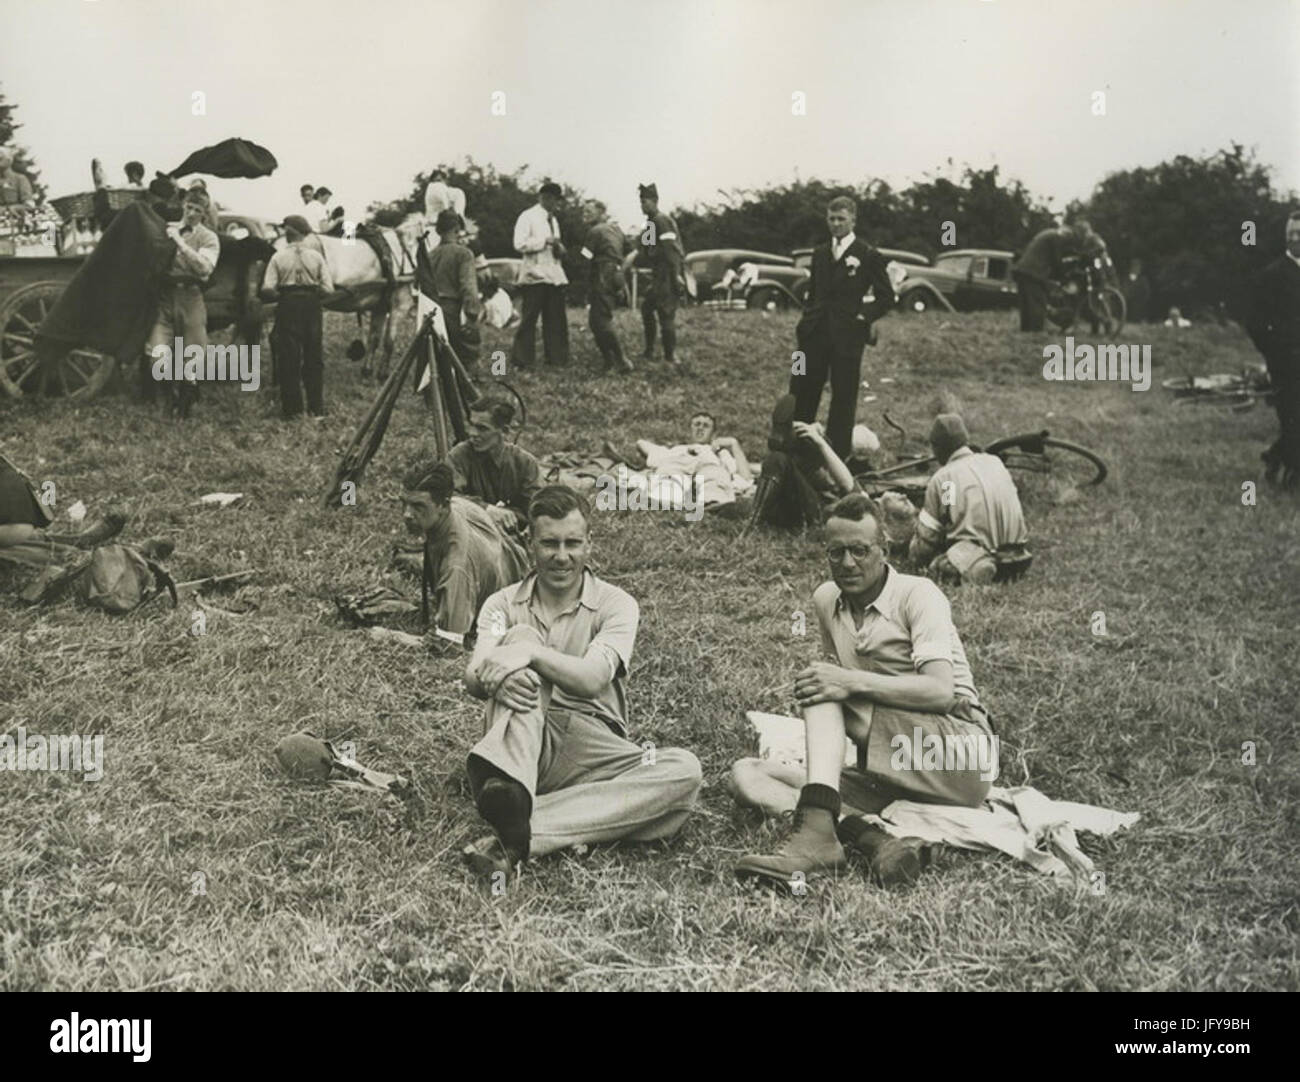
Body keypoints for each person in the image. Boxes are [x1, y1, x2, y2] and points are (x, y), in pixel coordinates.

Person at [731, 491, 997, 887]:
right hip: (893, 761)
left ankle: (818, 839)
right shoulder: (826, 599)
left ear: (884, 550)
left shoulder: (918, 594)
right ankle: (867, 837)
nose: (848, 563)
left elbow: (942, 691)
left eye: (859, 550)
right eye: (835, 553)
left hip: (960, 755)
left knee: (824, 688)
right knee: (747, 774)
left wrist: (848, 682)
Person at [459, 484, 703, 876]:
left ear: (590, 544)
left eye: (573, 543)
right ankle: (524, 794)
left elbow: (593, 679)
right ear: (529, 543)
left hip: (594, 748)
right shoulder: (502, 603)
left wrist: (532, 657)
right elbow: (474, 673)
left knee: (684, 770)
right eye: (549, 543)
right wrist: (499, 675)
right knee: (519, 636)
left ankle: (521, 826)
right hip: (525, 736)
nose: (561, 556)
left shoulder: (616, 603)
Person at [789, 195, 896, 463]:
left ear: (853, 220)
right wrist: (806, 321)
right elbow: (814, 293)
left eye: (841, 219)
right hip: (815, 333)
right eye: (831, 219)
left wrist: (862, 318)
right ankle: (799, 448)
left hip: (847, 337)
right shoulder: (820, 253)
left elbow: (887, 297)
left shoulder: (867, 255)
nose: (835, 224)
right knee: (803, 386)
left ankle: (837, 456)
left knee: (844, 395)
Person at [400, 463, 530, 636]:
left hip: (509, 615)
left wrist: (388, 636)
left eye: (418, 506)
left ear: (443, 506)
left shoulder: (457, 569)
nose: (407, 515)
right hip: (512, 569)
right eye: (404, 503)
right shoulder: (457, 505)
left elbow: (448, 647)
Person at [907, 414, 1030, 584]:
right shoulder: (994, 463)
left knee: (937, 566)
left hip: (977, 554)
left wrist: (913, 553)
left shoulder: (945, 479)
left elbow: (930, 537)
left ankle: (975, 566)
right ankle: (989, 566)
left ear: (938, 448)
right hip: (1018, 556)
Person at [142, 187, 220, 412]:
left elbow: (204, 268)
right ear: (182, 206)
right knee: (157, 353)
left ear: (204, 214)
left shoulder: (208, 238)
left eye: (198, 209)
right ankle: (169, 393)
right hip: (165, 296)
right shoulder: (167, 229)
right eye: (189, 207)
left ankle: (187, 398)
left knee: (193, 355)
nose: (192, 213)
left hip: (191, 296)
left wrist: (180, 244)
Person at [1243, 211, 1300, 489]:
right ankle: (1291, 475)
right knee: (1293, 417)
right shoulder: (1272, 276)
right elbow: (1254, 322)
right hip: (1287, 363)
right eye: (1292, 235)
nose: (1297, 240)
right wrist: (1275, 352)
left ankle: (1276, 457)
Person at [261, 214, 335, 419]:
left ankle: (293, 411)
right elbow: (328, 289)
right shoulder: (317, 257)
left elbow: (267, 288)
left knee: (289, 357)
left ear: (288, 233)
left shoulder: (278, 257)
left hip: (288, 305)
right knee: (314, 357)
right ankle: (316, 409)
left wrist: (282, 295)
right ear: (304, 234)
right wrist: (312, 292)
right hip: (312, 306)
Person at [754, 394, 859, 528]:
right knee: (780, 459)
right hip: (788, 504)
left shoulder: (847, 491)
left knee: (779, 459)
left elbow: (849, 486)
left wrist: (820, 442)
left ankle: (791, 439)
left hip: (815, 512)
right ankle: (790, 439)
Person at [447, 393, 543, 529]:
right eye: (471, 425)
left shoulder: (524, 463)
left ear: (504, 431)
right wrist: (486, 510)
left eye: (482, 428)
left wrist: (509, 516)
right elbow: (447, 497)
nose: (472, 433)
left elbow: (537, 509)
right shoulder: (459, 456)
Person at [624, 411, 755, 508]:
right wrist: (675, 453)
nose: (700, 428)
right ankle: (664, 499)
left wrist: (733, 443)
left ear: (713, 433)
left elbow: (746, 478)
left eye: (706, 425)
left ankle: (714, 502)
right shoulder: (678, 449)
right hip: (680, 461)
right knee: (669, 471)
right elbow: (642, 444)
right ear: (690, 429)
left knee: (715, 474)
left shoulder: (720, 453)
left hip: (709, 463)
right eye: (696, 424)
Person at [622, 182, 686, 369]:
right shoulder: (650, 223)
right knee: (647, 309)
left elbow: (671, 251)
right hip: (658, 275)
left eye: (646, 201)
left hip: (668, 273)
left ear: (655, 201)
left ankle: (671, 357)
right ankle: (649, 350)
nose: (642, 205)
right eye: (641, 202)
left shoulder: (662, 220)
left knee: (666, 314)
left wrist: (677, 275)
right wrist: (631, 256)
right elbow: (644, 251)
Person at [510, 181, 570, 368]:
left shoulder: (554, 220)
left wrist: (559, 248)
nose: (555, 204)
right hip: (534, 275)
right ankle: (523, 360)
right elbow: (519, 244)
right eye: (552, 199)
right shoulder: (528, 217)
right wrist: (543, 241)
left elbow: (555, 247)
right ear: (543, 198)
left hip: (553, 275)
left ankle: (556, 359)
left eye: (557, 200)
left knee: (555, 319)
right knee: (529, 319)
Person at [422, 209, 481, 367]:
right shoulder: (463, 254)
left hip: (430, 311)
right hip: (452, 310)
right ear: (457, 229)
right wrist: (472, 316)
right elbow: (469, 288)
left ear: (437, 230)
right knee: (466, 354)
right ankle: (486, 376)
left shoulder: (429, 255)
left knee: (437, 356)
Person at [580, 213, 631, 373]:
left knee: (600, 321)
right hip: (615, 274)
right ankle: (609, 362)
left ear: (600, 213)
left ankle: (621, 360)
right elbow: (631, 251)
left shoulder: (595, 231)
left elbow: (585, 257)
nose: (585, 215)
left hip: (601, 274)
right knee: (598, 320)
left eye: (589, 211)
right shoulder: (616, 229)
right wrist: (621, 270)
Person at [1011, 222, 1082, 332]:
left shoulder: (1046, 234)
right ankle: (1035, 331)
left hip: (1022, 270)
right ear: (1066, 235)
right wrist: (1064, 279)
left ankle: (1026, 330)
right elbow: (1056, 261)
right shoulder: (1056, 237)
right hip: (1033, 272)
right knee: (1038, 303)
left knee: (1026, 302)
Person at [1123, 257, 1152, 324]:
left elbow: (1146, 292)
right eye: (1135, 266)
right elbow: (1124, 290)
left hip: (1140, 305)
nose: (1136, 269)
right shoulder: (1126, 279)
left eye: (1138, 267)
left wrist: (1141, 300)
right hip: (1129, 305)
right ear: (1131, 267)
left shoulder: (1143, 280)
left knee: (1138, 319)